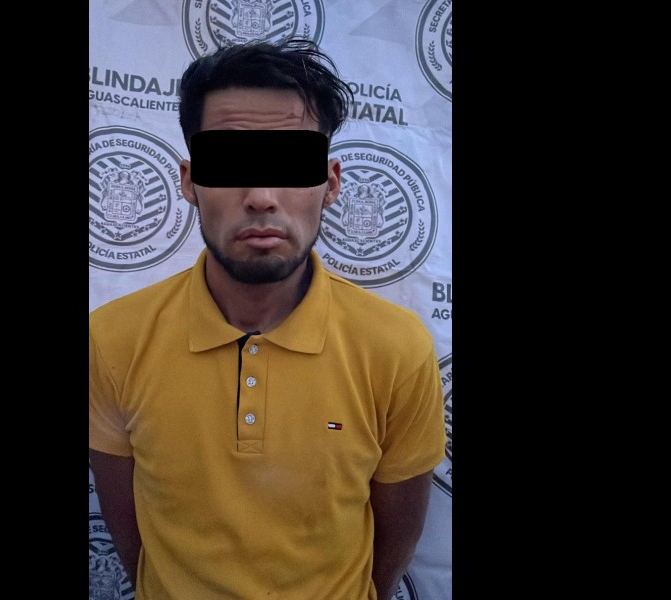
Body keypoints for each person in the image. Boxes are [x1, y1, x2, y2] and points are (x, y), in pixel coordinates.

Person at [89, 37, 446, 600]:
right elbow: (129, 534)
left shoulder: (397, 348)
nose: (260, 196)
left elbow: (395, 538)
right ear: (189, 181)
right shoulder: (113, 339)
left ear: (329, 183)